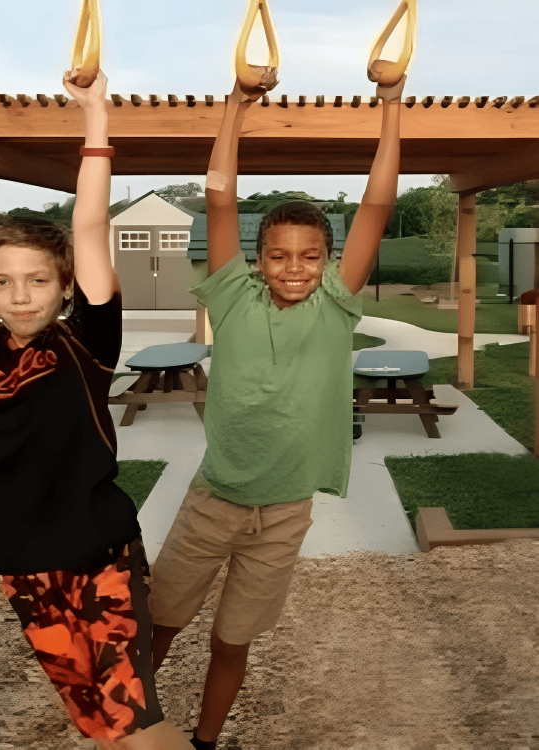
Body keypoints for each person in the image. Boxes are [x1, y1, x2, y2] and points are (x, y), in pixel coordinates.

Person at [0, 62, 193, 750]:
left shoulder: (87, 342)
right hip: (22, 567)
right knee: (99, 724)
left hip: (99, 552)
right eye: (4, 281)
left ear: (64, 284)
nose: (20, 295)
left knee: (134, 720)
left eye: (38, 280)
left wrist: (95, 117)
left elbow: (91, 222)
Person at [147, 67, 406, 750]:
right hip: (214, 502)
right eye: (279, 256)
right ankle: (121, 730)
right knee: (161, 625)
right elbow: (220, 196)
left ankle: (204, 741)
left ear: (328, 260)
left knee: (232, 643)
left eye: (310, 256)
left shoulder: (336, 307)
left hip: (284, 514)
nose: (294, 268)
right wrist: (236, 106)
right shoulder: (232, 298)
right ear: (256, 260)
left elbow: (378, 205)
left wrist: (391, 107)